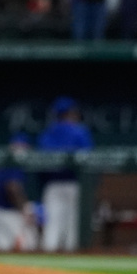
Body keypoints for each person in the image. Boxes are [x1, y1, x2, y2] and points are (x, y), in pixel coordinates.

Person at [37, 97, 93, 252]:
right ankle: (71, 264)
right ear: (70, 113)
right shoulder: (80, 131)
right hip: (74, 184)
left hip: (53, 185)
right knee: (73, 225)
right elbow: (88, 159)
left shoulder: (48, 133)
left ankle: (47, 263)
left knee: (52, 225)